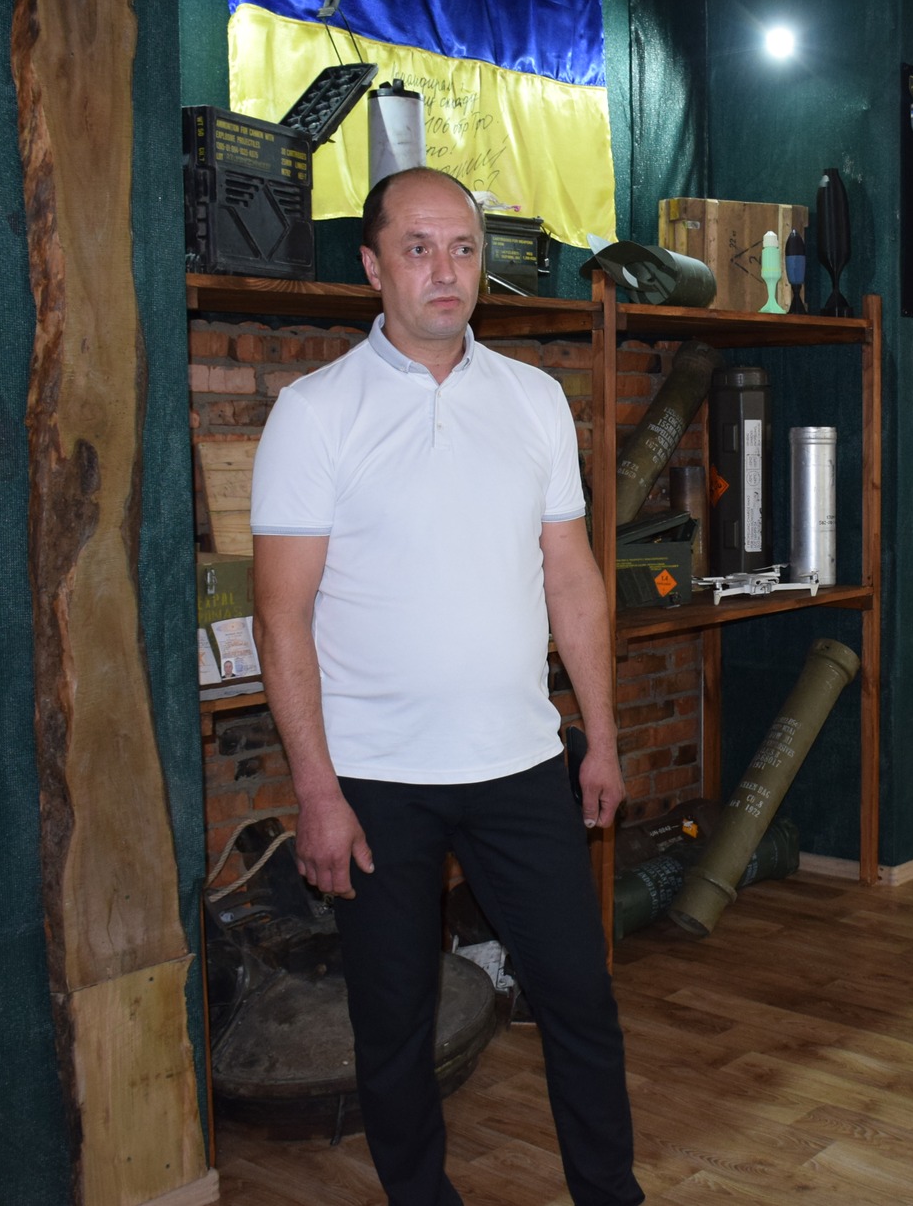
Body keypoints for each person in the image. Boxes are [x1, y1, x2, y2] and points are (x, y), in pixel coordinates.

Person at [251, 167, 643, 1206]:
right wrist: (316, 790)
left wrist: (599, 737)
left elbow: (572, 578)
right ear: (372, 266)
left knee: (577, 996)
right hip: (376, 780)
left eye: (463, 248)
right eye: (417, 248)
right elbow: (281, 616)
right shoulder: (314, 413)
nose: (444, 270)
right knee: (394, 1021)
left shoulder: (534, 399)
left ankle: (611, 1194)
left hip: (520, 763)